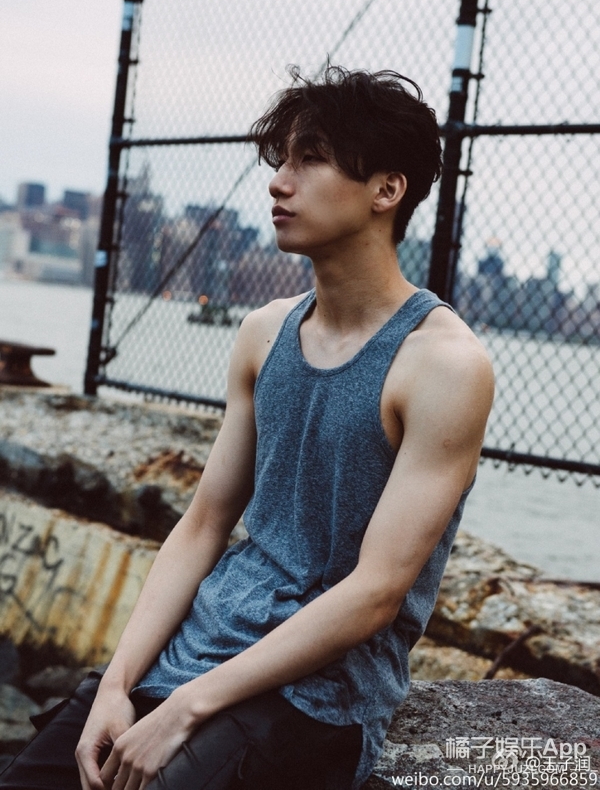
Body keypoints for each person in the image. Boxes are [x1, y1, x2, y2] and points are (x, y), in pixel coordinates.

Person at [0, 66, 494, 790]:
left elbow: (376, 592)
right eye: (280, 160)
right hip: (196, 653)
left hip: (318, 694)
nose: (278, 183)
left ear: (387, 189)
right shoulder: (265, 332)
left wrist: (186, 708)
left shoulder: (445, 365)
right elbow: (204, 523)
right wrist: (117, 681)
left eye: (310, 160)